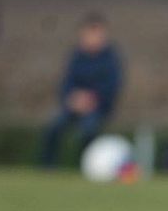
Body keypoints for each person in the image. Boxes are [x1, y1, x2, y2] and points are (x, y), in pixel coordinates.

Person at [40, 13, 123, 169]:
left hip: (98, 108)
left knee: (88, 130)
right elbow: (66, 83)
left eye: (96, 33)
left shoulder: (110, 59)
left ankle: (84, 167)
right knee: (53, 127)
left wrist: (92, 100)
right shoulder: (76, 56)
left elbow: (112, 86)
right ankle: (47, 167)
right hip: (74, 107)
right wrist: (72, 99)